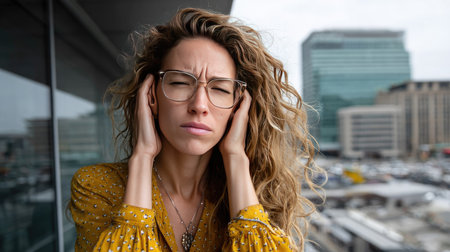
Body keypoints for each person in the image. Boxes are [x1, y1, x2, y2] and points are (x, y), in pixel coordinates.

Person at [69, 8, 324, 252]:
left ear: (238, 107)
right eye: (180, 83)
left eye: (220, 89)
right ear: (151, 96)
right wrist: (142, 157)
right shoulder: (96, 186)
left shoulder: (256, 191)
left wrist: (235, 158)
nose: (199, 105)